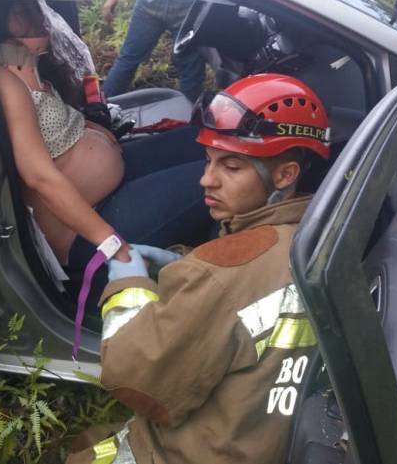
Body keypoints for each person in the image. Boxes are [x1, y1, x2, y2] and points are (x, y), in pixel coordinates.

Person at [67, 73, 330, 464]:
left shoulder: (220, 274)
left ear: (285, 174)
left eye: (232, 166)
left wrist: (130, 287)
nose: (206, 179)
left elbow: (137, 382)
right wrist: (189, 261)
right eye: (208, 160)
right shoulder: (323, 235)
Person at [0, 0, 213, 312]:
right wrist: (111, 243)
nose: (37, 15)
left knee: (200, 140)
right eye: (19, 11)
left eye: (32, 6)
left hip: (112, 182)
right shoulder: (4, 83)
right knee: (220, 179)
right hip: (87, 227)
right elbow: (40, 178)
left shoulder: (27, 67)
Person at [101, 0, 206, 102]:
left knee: (127, 60)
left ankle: (102, 110)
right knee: (190, 69)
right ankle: (189, 115)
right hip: (187, 2)